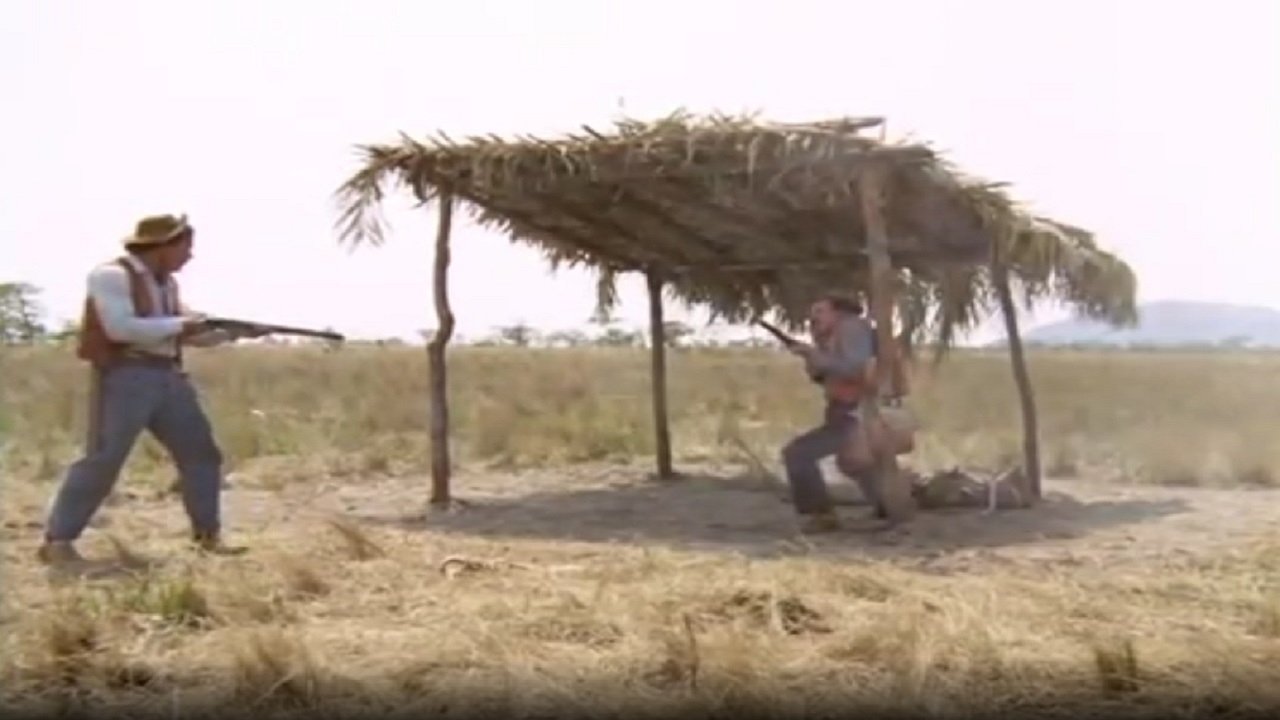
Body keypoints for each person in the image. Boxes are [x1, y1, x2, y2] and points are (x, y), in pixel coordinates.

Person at [36, 213, 263, 566]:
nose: (189, 256)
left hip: (167, 375)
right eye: (185, 247)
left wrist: (233, 332)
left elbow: (191, 332)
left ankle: (207, 536)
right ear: (163, 245)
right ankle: (58, 542)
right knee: (103, 459)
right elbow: (121, 328)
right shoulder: (111, 275)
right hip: (125, 375)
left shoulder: (167, 285)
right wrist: (184, 324)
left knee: (201, 455)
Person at [779, 293, 883, 533]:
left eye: (819, 311)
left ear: (839, 312)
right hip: (847, 408)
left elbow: (855, 367)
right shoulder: (837, 335)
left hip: (857, 410)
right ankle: (886, 505)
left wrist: (816, 357)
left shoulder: (851, 328)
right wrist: (811, 360)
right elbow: (830, 376)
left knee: (798, 454)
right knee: (854, 462)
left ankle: (820, 515)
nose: (813, 318)